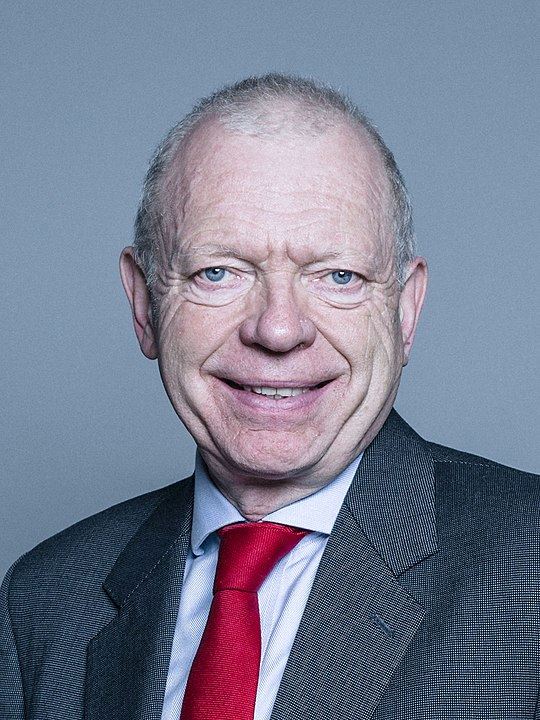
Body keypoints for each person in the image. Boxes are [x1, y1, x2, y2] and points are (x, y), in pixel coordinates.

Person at [1, 74, 538, 720]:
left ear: (405, 312)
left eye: (338, 276)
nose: (278, 329)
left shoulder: (527, 566)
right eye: (218, 272)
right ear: (144, 304)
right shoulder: (46, 602)